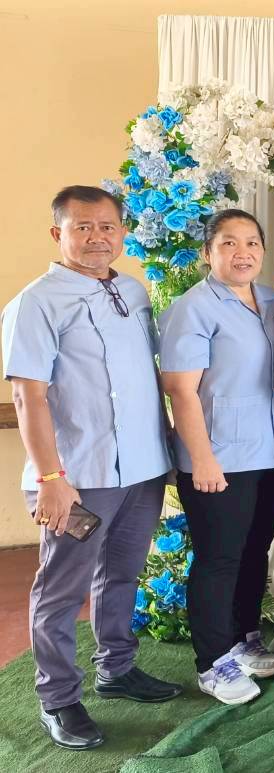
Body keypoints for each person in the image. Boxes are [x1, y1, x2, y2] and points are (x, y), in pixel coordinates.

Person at [2, 185, 180, 751]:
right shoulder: (35, 303)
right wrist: (51, 480)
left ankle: (117, 668)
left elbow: (147, 377)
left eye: (107, 226)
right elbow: (28, 396)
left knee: (122, 573)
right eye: (83, 227)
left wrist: (169, 447)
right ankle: (58, 698)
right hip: (79, 477)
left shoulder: (133, 291)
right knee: (62, 588)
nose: (97, 237)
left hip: (142, 468)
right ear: (58, 233)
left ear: (122, 233)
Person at [159, 209, 274, 704]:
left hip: (272, 453)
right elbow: (181, 391)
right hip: (218, 459)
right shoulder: (192, 308)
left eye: (252, 243)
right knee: (219, 559)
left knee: (254, 550)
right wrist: (202, 459)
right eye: (229, 243)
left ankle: (244, 637)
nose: (243, 253)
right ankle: (213, 662)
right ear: (207, 252)